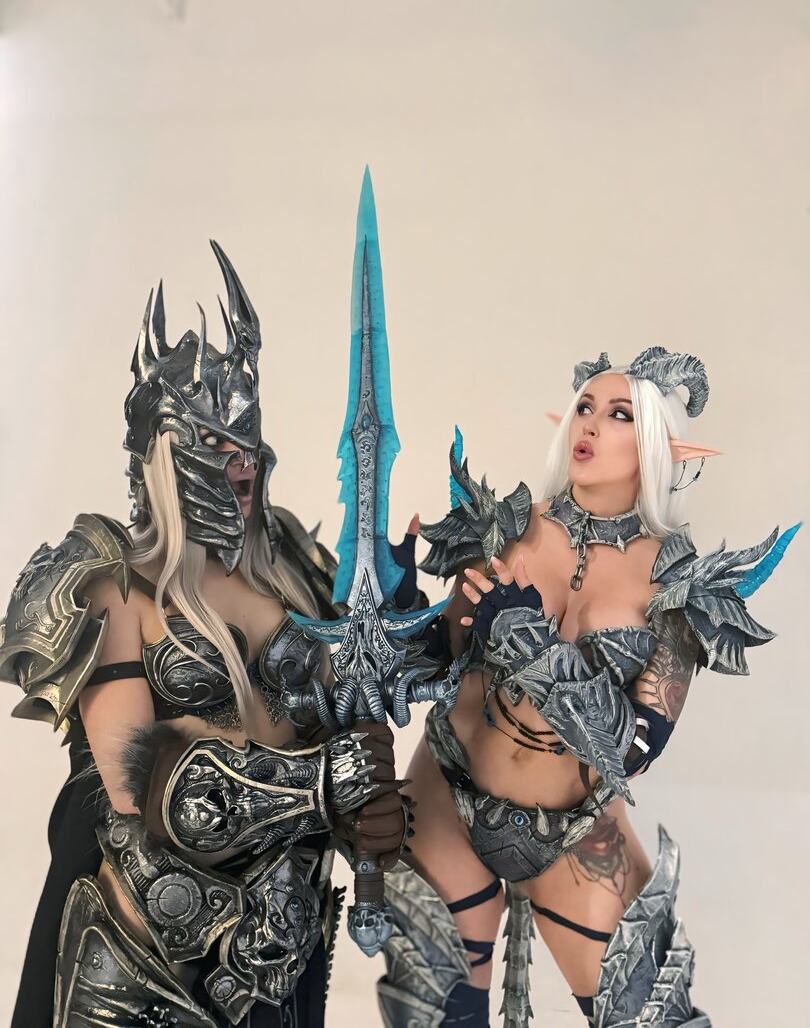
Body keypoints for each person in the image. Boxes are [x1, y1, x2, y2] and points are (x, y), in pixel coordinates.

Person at [0, 242, 407, 1028]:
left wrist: (444, 623)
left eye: (247, 436)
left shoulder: (295, 565)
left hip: (276, 945)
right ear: (165, 449)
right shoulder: (109, 583)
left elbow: (349, 712)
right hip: (148, 957)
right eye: (216, 441)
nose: (242, 459)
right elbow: (147, 792)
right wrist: (324, 786)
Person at [376, 347, 793, 1027]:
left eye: (619, 414)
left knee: (652, 1014)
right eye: (585, 407)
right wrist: (398, 610)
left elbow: (633, 748)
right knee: (434, 1012)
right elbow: (440, 661)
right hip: (447, 793)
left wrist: (534, 646)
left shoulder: (680, 588)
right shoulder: (504, 526)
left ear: (657, 442)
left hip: (572, 833)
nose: (590, 425)